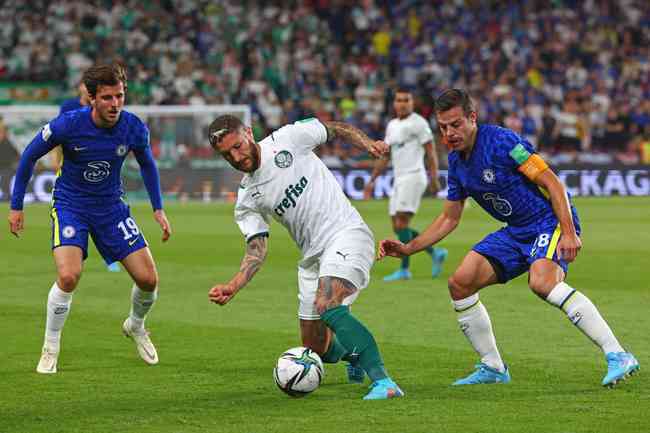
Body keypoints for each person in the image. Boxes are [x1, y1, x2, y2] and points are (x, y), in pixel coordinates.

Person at [378, 89, 639, 387]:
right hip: (516, 229)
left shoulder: (502, 142)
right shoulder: (457, 162)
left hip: (547, 222)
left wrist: (568, 232)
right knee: (460, 283)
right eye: (443, 127)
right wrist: (409, 247)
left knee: (542, 282)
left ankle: (618, 354)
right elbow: (449, 218)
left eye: (456, 124)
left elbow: (553, 184)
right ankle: (493, 367)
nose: (449, 133)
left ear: (472, 118)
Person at [207, 114, 403, 400]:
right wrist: (233, 285)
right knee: (317, 348)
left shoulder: (288, 139)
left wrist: (367, 143)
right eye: (226, 154)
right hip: (312, 258)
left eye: (237, 146)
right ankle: (353, 354)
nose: (235, 157)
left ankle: (385, 383)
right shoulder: (248, 197)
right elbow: (256, 250)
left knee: (327, 302)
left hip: (347, 232)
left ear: (248, 132)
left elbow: (335, 127)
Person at [8, 63, 172, 374]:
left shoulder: (134, 127)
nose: (115, 104)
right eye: (108, 98)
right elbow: (29, 155)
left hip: (111, 207)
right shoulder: (68, 124)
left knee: (149, 280)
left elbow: (148, 165)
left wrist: (158, 208)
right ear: (92, 98)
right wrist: (17, 205)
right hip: (72, 205)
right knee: (69, 276)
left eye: (120, 96)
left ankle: (135, 325)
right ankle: (50, 347)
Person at [363, 88, 447, 281]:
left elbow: (431, 151)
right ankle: (435, 253)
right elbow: (386, 157)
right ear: (394, 103)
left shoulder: (419, 123)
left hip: (414, 175)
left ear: (412, 102)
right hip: (399, 178)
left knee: (402, 223)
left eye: (406, 100)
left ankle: (405, 269)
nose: (402, 103)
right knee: (397, 227)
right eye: (399, 100)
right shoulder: (392, 125)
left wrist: (434, 178)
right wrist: (371, 180)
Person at [59, 80, 122, 273]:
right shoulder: (69, 108)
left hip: (102, 171)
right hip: (74, 169)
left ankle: (110, 258)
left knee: (106, 213)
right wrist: (58, 159)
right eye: (84, 86)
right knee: (78, 214)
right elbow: (58, 136)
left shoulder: (107, 113)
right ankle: (73, 255)